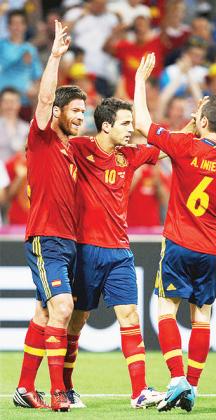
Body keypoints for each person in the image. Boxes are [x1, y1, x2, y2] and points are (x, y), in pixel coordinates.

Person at [134, 53, 216, 412]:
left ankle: (176, 379)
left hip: (179, 243)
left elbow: (142, 123)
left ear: (201, 121)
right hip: (213, 249)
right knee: (202, 315)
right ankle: (193, 387)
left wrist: (141, 80)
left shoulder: (184, 146)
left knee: (165, 308)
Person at [64, 97, 166, 409]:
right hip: (85, 251)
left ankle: (140, 391)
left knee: (129, 315)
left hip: (120, 251)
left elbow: (167, 147)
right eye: (125, 123)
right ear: (106, 126)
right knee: (77, 320)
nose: (131, 128)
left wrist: (195, 126)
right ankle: (65, 387)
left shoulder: (130, 156)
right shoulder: (79, 148)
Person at [13, 20, 86, 412]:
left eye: (84, 111)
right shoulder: (41, 137)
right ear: (58, 112)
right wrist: (55, 56)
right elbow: (44, 102)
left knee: (45, 310)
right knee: (63, 308)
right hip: (45, 236)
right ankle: (59, 392)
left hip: (67, 240)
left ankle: (26, 387)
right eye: (75, 111)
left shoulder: (70, 150)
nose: (81, 117)